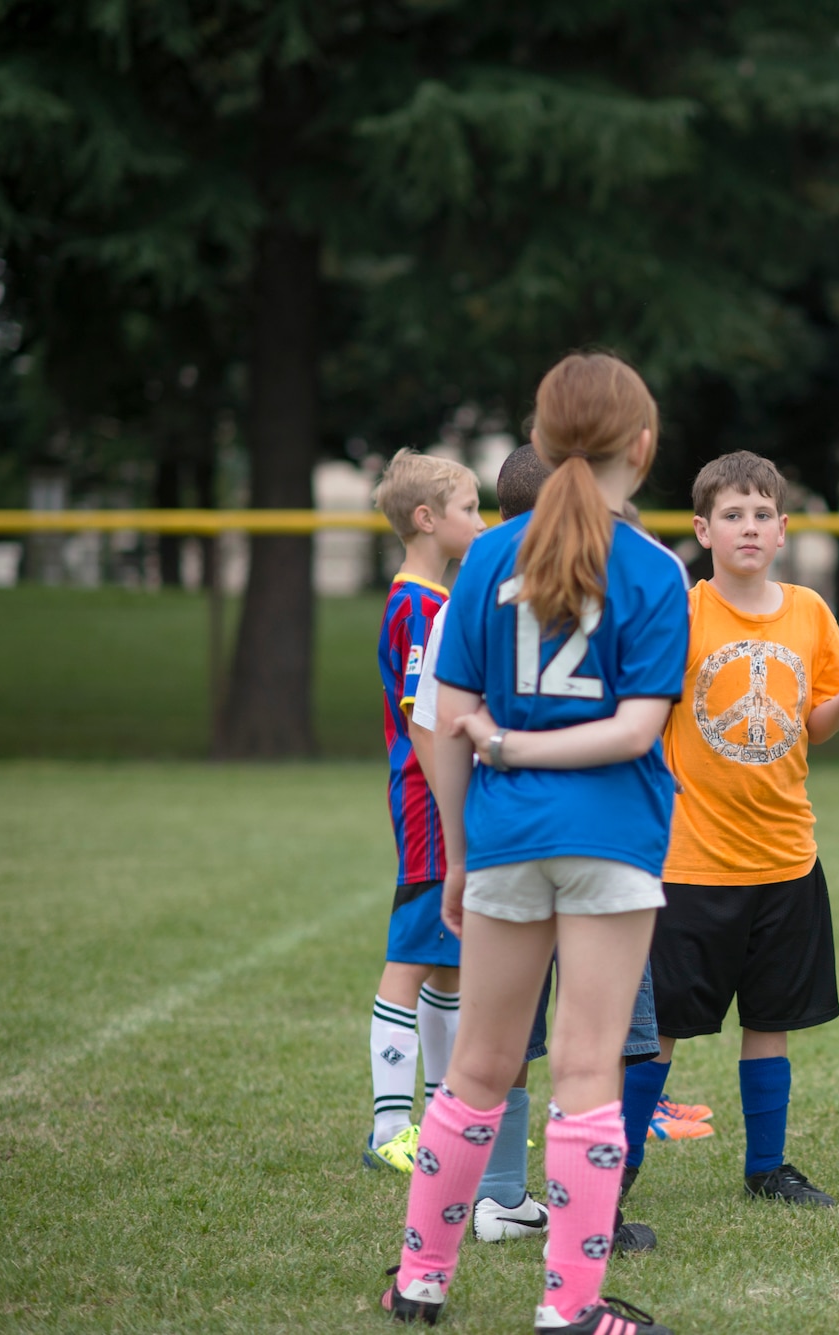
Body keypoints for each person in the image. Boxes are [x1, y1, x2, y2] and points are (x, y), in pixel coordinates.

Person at [468, 450, 839, 1209]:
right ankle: (616, 1173)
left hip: (787, 857)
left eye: (763, 515)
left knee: (772, 1020)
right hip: (691, 861)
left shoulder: (809, 613)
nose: (749, 527)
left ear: (786, 529)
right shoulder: (682, 608)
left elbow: (814, 725)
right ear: (703, 529)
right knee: (652, 1036)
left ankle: (769, 1165)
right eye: (733, 515)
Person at [381, 352, 684, 1335]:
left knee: (477, 1065)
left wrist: (465, 851)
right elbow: (637, 731)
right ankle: (569, 1308)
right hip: (611, 838)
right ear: (641, 447)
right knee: (587, 1069)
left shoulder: (485, 561)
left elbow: (442, 718)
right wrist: (522, 745)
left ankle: (420, 1281)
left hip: (507, 834)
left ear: (543, 443)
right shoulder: (652, 567)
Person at [364, 448, 485, 1172]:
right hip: (428, 799)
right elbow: (422, 719)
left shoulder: (435, 599)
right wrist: (452, 809)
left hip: (440, 798)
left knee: (448, 965)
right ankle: (388, 1130)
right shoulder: (417, 604)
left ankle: (443, 1120)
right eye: (469, 508)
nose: (479, 521)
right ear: (426, 519)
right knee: (410, 957)